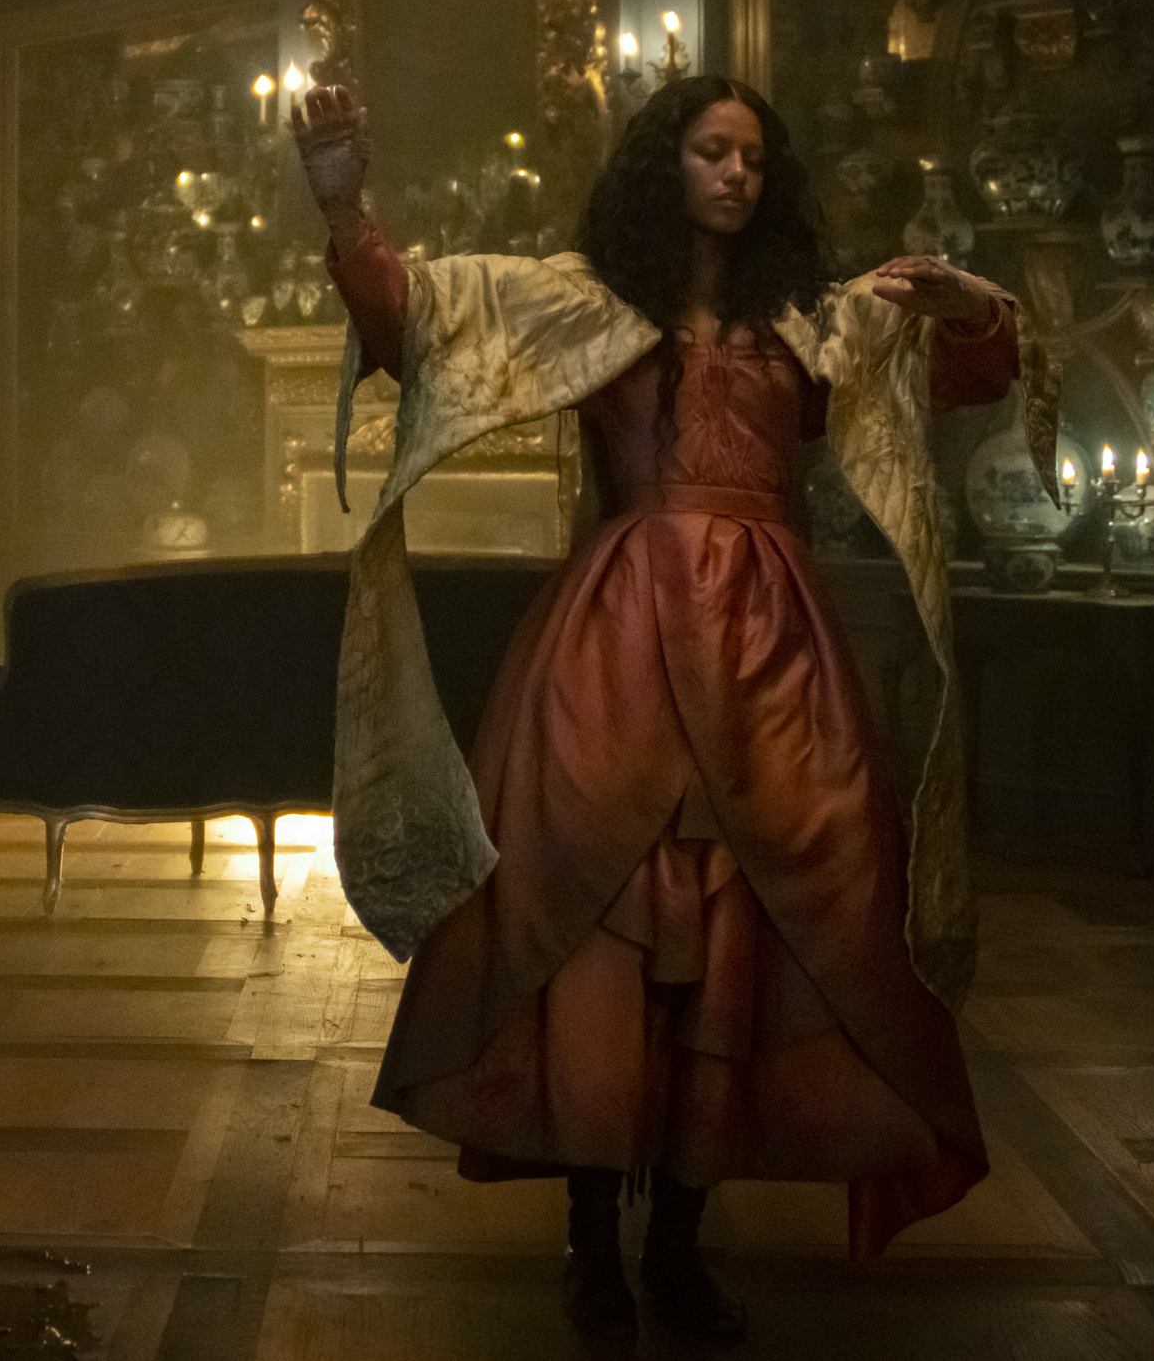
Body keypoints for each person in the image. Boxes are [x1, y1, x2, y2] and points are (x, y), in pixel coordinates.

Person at [292, 75, 1031, 1341]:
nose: (736, 172)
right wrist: (344, 202)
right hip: (618, 644)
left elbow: (956, 368)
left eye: (753, 156)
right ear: (665, 165)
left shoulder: (810, 322)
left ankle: (679, 1248)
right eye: (710, 151)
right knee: (596, 920)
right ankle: (592, 1244)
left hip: (771, 656)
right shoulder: (587, 302)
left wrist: (970, 303)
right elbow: (421, 315)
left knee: (743, 935)